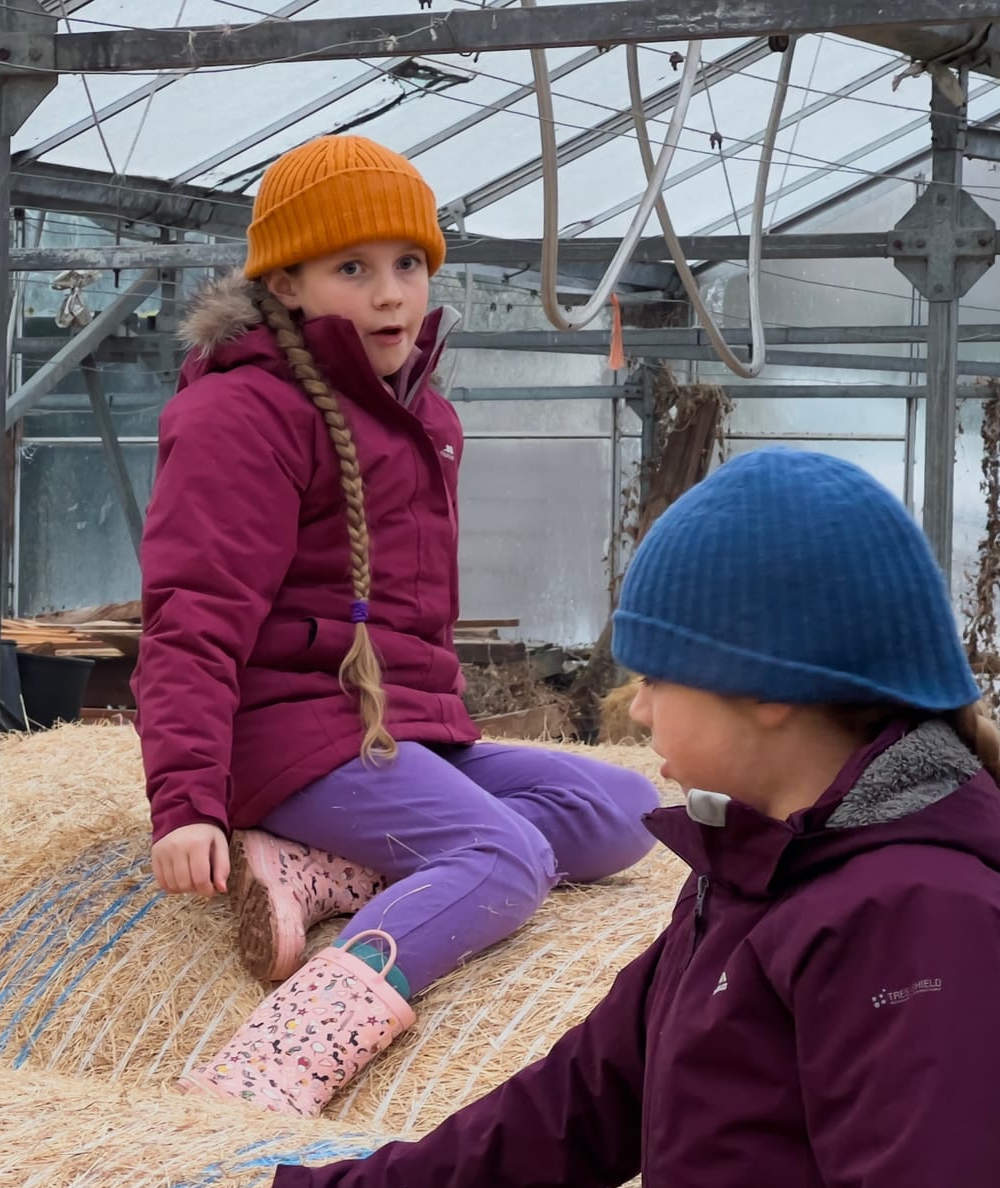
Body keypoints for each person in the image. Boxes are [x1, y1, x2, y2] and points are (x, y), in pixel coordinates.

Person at [234, 448, 1000, 1188]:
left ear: (768, 687)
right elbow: (576, 1104)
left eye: (656, 676)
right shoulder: (751, 879)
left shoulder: (920, 917)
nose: (637, 707)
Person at [133, 134, 658, 1119]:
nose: (389, 295)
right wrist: (187, 804)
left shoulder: (421, 417)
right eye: (352, 269)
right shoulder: (241, 414)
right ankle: (293, 1037)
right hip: (286, 737)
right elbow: (190, 621)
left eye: (408, 265)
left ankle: (318, 869)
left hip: (390, 730)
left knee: (624, 813)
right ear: (284, 284)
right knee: (503, 860)